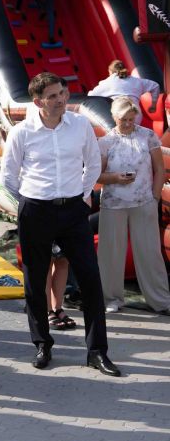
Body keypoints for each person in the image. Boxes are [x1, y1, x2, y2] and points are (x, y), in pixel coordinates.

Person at [2, 72, 121, 376]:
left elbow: (93, 164)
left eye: (63, 93)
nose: (61, 100)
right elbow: (9, 177)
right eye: (53, 96)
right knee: (34, 281)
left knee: (91, 280)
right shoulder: (21, 132)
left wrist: (81, 196)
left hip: (73, 210)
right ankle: (42, 343)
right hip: (36, 211)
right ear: (38, 101)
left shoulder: (80, 125)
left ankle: (97, 352)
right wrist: (31, 203)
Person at [96, 96, 170, 315]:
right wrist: (116, 178)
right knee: (111, 253)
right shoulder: (105, 142)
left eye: (131, 118)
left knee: (150, 253)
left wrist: (155, 196)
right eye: (123, 119)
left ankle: (160, 300)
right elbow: (97, 175)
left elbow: (159, 169)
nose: (128, 123)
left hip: (144, 202)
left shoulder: (148, 136)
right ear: (114, 117)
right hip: (113, 203)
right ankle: (111, 298)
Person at [87, 60, 160, 110]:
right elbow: (155, 86)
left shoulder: (106, 83)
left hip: (120, 115)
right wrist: (153, 105)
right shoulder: (137, 81)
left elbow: (91, 96)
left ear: (111, 72)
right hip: (136, 114)